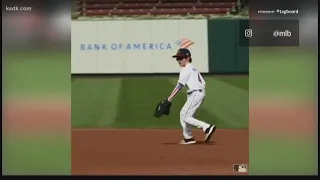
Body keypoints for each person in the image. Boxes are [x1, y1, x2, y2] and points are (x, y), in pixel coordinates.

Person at [167, 48, 217, 145]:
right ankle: (188, 137)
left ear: (188, 58)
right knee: (183, 114)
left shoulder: (186, 69)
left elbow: (179, 86)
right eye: (177, 58)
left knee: (186, 116)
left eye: (180, 58)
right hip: (197, 93)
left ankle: (207, 127)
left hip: (195, 93)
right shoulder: (192, 68)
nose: (178, 60)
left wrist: (169, 99)